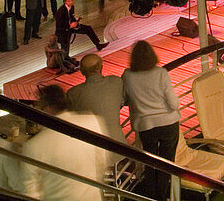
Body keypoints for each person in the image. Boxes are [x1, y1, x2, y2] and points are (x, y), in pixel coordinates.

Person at [20, 84, 110, 201]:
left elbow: (29, 190)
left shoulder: (34, 145)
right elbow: (102, 163)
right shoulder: (92, 121)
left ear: (47, 109)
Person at [122, 41, 182, 198]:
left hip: (145, 126)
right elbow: (173, 102)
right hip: (168, 123)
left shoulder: (127, 76)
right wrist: (177, 104)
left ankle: (151, 195)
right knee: (166, 163)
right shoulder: (161, 73)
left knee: (150, 163)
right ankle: (162, 196)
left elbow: (126, 98)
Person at [68, 53, 125, 147]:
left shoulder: (73, 93)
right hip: (119, 145)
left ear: (82, 71)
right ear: (101, 68)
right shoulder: (116, 82)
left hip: (91, 147)